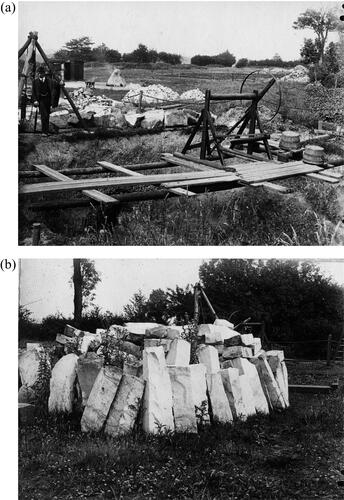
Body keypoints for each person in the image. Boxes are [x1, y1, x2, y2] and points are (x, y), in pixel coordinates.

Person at [32, 66, 59, 136]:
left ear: (44, 73)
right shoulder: (35, 82)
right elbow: (33, 92)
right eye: (39, 73)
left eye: (42, 73)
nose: (40, 74)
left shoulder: (49, 80)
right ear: (38, 73)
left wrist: (61, 82)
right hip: (40, 100)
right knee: (44, 115)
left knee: (47, 115)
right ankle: (44, 132)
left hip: (48, 99)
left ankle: (45, 130)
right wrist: (35, 100)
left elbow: (57, 84)